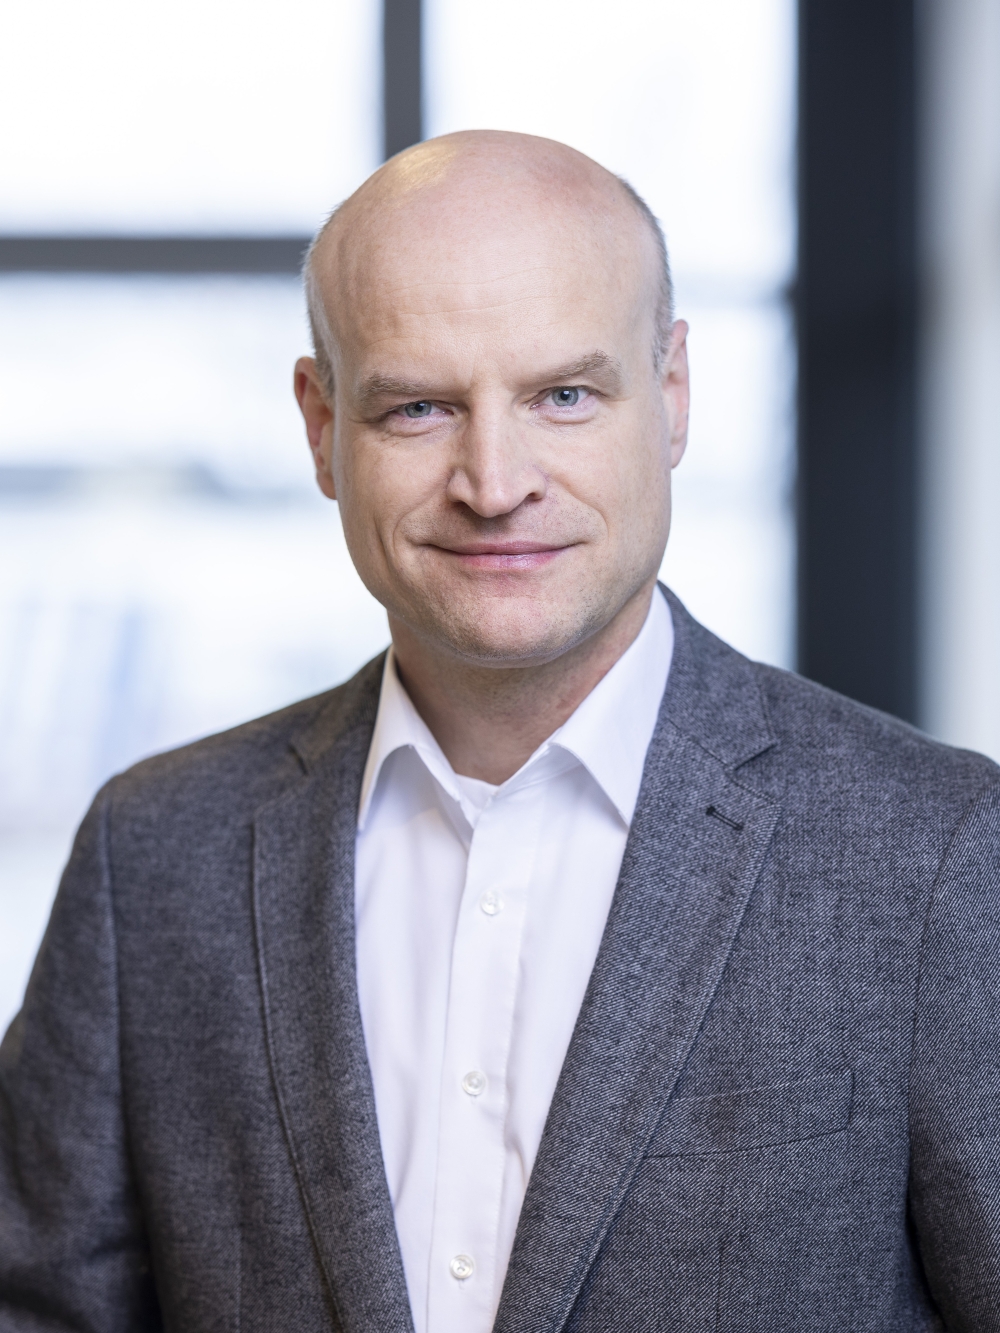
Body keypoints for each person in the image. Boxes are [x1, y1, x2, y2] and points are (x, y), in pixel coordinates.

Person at [1, 130, 998, 1333]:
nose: (492, 479)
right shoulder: (152, 857)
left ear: (670, 394)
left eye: (563, 396)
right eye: (418, 407)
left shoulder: (938, 854)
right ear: (321, 427)